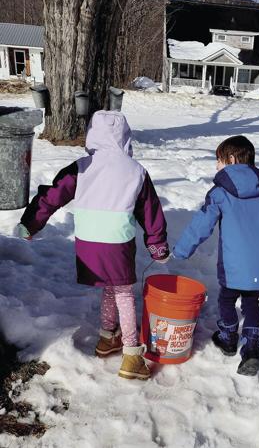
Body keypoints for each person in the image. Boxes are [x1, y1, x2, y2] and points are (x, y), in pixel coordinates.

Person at [16, 110, 169, 380]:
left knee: (111, 287)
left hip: (88, 243)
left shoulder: (82, 166)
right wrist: (157, 246)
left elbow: (52, 195)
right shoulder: (135, 171)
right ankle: (132, 355)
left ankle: (108, 336)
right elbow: (150, 212)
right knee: (123, 292)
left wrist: (31, 224)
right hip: (116, 243)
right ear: (124, 138)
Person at [173, 135, 259, 376]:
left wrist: (181, 250)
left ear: (230, 159)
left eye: (218, 161)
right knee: (251, 302)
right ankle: (251, 348)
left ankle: (228, 338)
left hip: (231, 267)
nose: (216, 166)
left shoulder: (220, 194)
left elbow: (200, 226)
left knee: (227, 300)